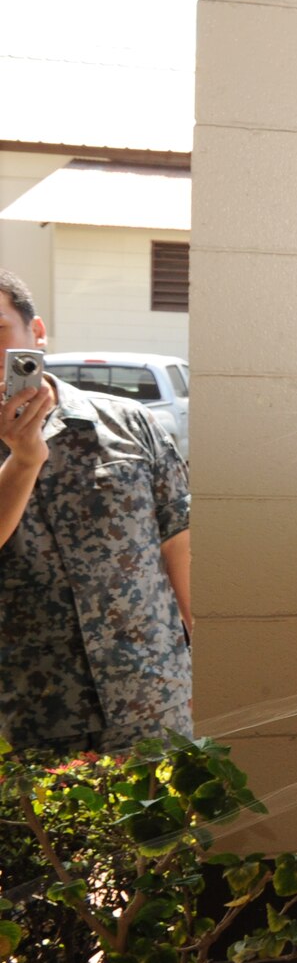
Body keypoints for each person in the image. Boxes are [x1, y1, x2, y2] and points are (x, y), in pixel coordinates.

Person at [0, 268, 192, 753]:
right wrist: (23, 461)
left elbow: (182, 552)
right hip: (26, 729)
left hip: (152, 710)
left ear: (35, 334)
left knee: (167, 832)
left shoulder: (128, 424)